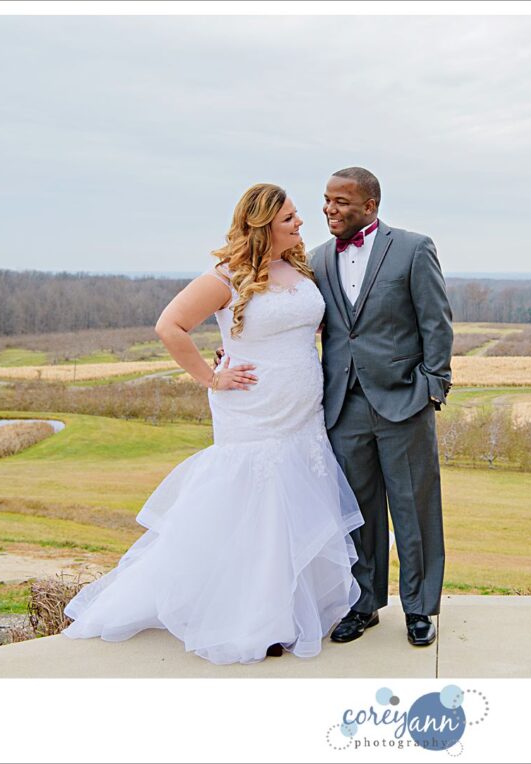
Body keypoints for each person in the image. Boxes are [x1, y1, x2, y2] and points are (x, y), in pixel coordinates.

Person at [60, 183, 365, 665]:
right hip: (252, 412)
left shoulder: (301, 269)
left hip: (303, 415)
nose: (300, 223)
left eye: (297, 216)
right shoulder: (225, 276)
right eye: (289, 218)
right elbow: (170, 325)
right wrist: (211, 376)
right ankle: (253, 622)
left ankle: (291, 608)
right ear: (261, 224)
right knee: (256, 512)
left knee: (294, 511)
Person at [217, 167, 453, 647]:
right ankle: (364, 605)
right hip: (339, 407)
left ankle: (420, 609)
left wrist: (433, 387)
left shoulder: (412, 248)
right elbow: (282, 316)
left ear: (370, 205)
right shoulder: (316, 261)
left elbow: (437, 323)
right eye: (325, 200)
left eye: (341, 202)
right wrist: (230, 353)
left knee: (413, 509)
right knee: (356, 513)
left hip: (404, 401)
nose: (329, 209)